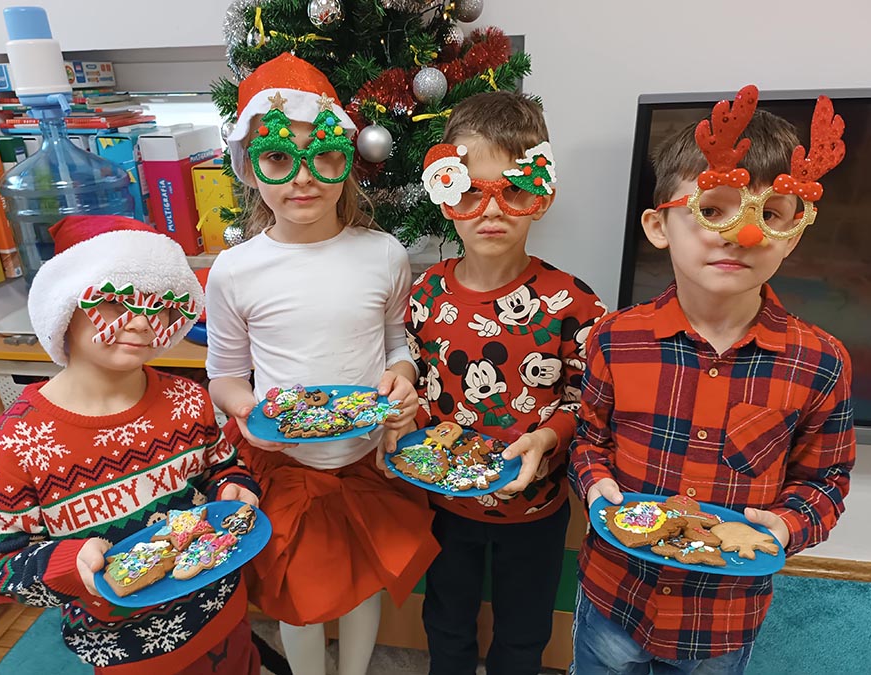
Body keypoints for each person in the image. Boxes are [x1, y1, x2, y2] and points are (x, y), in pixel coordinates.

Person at [569, 85, 856, 674]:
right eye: (713, 209)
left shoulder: (820, 362)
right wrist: (595, 484)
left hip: (722, 619)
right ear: (659, 227)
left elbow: (825, 480)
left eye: (769, 215)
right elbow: (588, 440)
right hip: (614, 598)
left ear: (792, 234)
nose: (740, 233)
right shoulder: (614, 339)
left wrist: (787, 524)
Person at [206, 52, 440, 675]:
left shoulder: (384, 254)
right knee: (300, 598)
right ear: (250, 169)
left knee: (363, 585)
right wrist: (247, 410)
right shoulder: (234, 270)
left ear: (347, 161)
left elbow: (395, 343)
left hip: (369, 457)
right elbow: (224, 374)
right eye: (278, 158)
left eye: (324, 156)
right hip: (287, 464)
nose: (303, 178)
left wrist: (403, 377)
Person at [0, 215, 262, 674]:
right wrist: (67, 564)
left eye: (161, 304)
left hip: (223, 614)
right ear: (64, 306)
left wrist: (234, 486)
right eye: (114, 301)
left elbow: (220, 467)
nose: (143, 321)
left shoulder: (188, 400)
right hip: (126, 652)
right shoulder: (15, 444)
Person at [395, 90, 607, 675]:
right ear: (445, 196)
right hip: (444, 503)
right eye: (469, 191)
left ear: (542, 196)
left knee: (524, 634)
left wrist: (547, 438)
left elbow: (588, 399)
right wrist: (401, 410)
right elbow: (416, 375)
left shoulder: (573, 302)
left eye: (513, 190)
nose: (491, 211)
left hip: (535, 509)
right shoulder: (426, 293)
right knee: (445, 623)